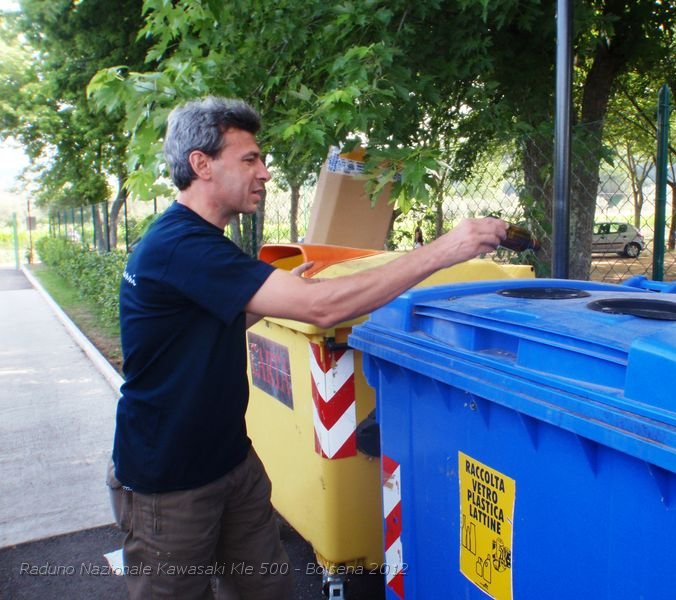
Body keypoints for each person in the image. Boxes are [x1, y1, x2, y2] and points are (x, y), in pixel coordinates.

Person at [108, 96, 509, 599]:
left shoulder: (197, 243)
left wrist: (274, 295)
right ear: (201, 164)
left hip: (231, 462)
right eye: (250, 159)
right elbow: (323, 311)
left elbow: (200, 325)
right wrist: (447, 250)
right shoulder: (181, 246)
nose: (265, 173)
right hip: (170, 485)